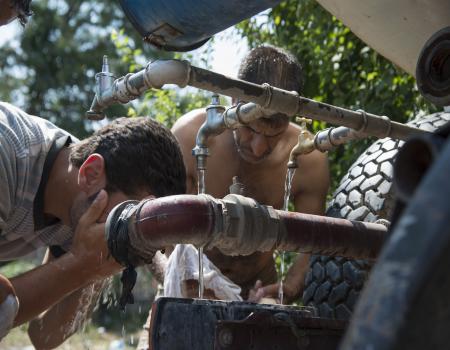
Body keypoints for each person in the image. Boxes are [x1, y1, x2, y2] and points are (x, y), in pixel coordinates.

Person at [0, 101, 186, 348]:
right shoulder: (8, 154)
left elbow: (46, 335)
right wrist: (80, 264)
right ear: (90, 173)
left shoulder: (83, 202)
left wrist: (92, 267)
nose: (126, 233)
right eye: (127, 217)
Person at [170, 45, 330, 303]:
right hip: (185, 287)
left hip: (258, 291)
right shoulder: (190, 136)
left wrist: (288, 288)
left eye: (272, 136)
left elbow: (313, 242)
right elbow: (158, 227)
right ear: (234, 100)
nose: (258, 147)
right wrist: (177, 280)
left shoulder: (308, 159)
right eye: (249, 129)